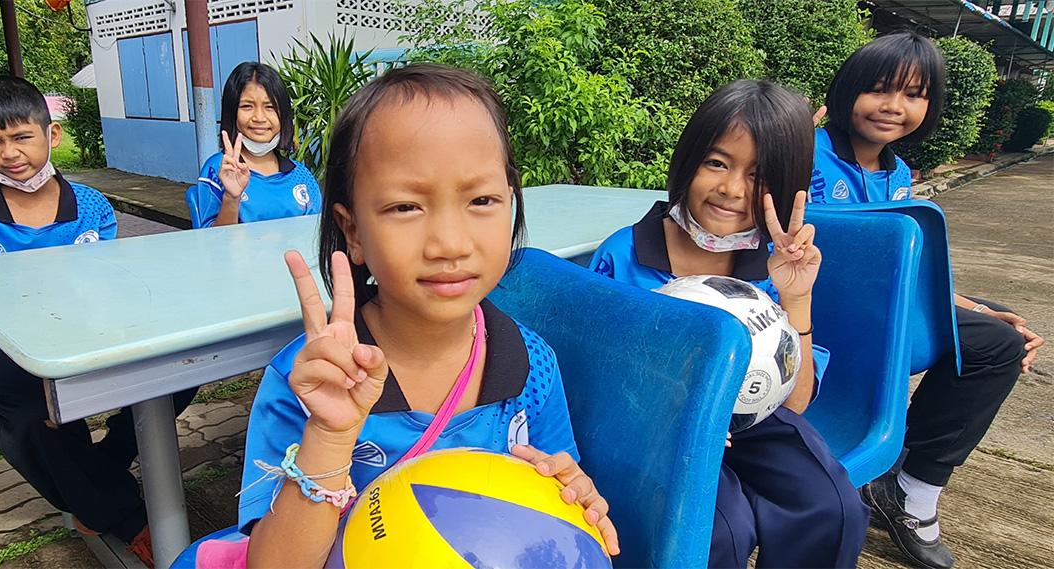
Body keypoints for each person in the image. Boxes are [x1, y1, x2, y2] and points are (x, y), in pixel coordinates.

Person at [192, 63, 619, 568]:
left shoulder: (534, 367)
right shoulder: (310, 382)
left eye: (481, 200)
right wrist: (329, 437)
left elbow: (555, 497)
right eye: (405, 208)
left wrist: (574, 498)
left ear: (512, 204)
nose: (449, 243)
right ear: (352, 232)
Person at [590, 80, 868, 568]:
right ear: (688, 160)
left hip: (753, 418)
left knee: (833, 507)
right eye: (717, 162)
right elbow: (598, 383)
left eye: (759, 175)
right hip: (659, 433)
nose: (732, 189)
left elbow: (796, 401)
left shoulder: (771, 265)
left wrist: (795, 296)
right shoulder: (626, 255)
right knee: (721, 530)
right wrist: (674, 414)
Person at [0, 76, 194, 568]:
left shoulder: (89, 203)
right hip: (5, 340)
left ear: (53, 135)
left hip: (89, 330)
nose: (9, 153)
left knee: (184, 368)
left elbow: (107, 283)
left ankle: (104, 465)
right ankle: (125, 515)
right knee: (30, 414)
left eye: (22, 136)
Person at [811, 31, 1044, 569]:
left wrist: (974, 308)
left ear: (930, 106)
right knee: (995, 347)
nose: (894, 107)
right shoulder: (807, 152)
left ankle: (908, 478)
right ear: (847, 91)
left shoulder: (895, 175)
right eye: (878, 89)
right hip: (826, 318)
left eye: (914, 94)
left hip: (881, 311)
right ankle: (913, 490)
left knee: (999, 332)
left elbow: (906, 272)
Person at [192, 62, 321, 227]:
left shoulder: (301, 176)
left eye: (270, 107)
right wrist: (231, 198)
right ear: (232, 113)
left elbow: (316, 234)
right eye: (247, 106)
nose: (259, 117)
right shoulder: (218, 169)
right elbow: (211, 243)